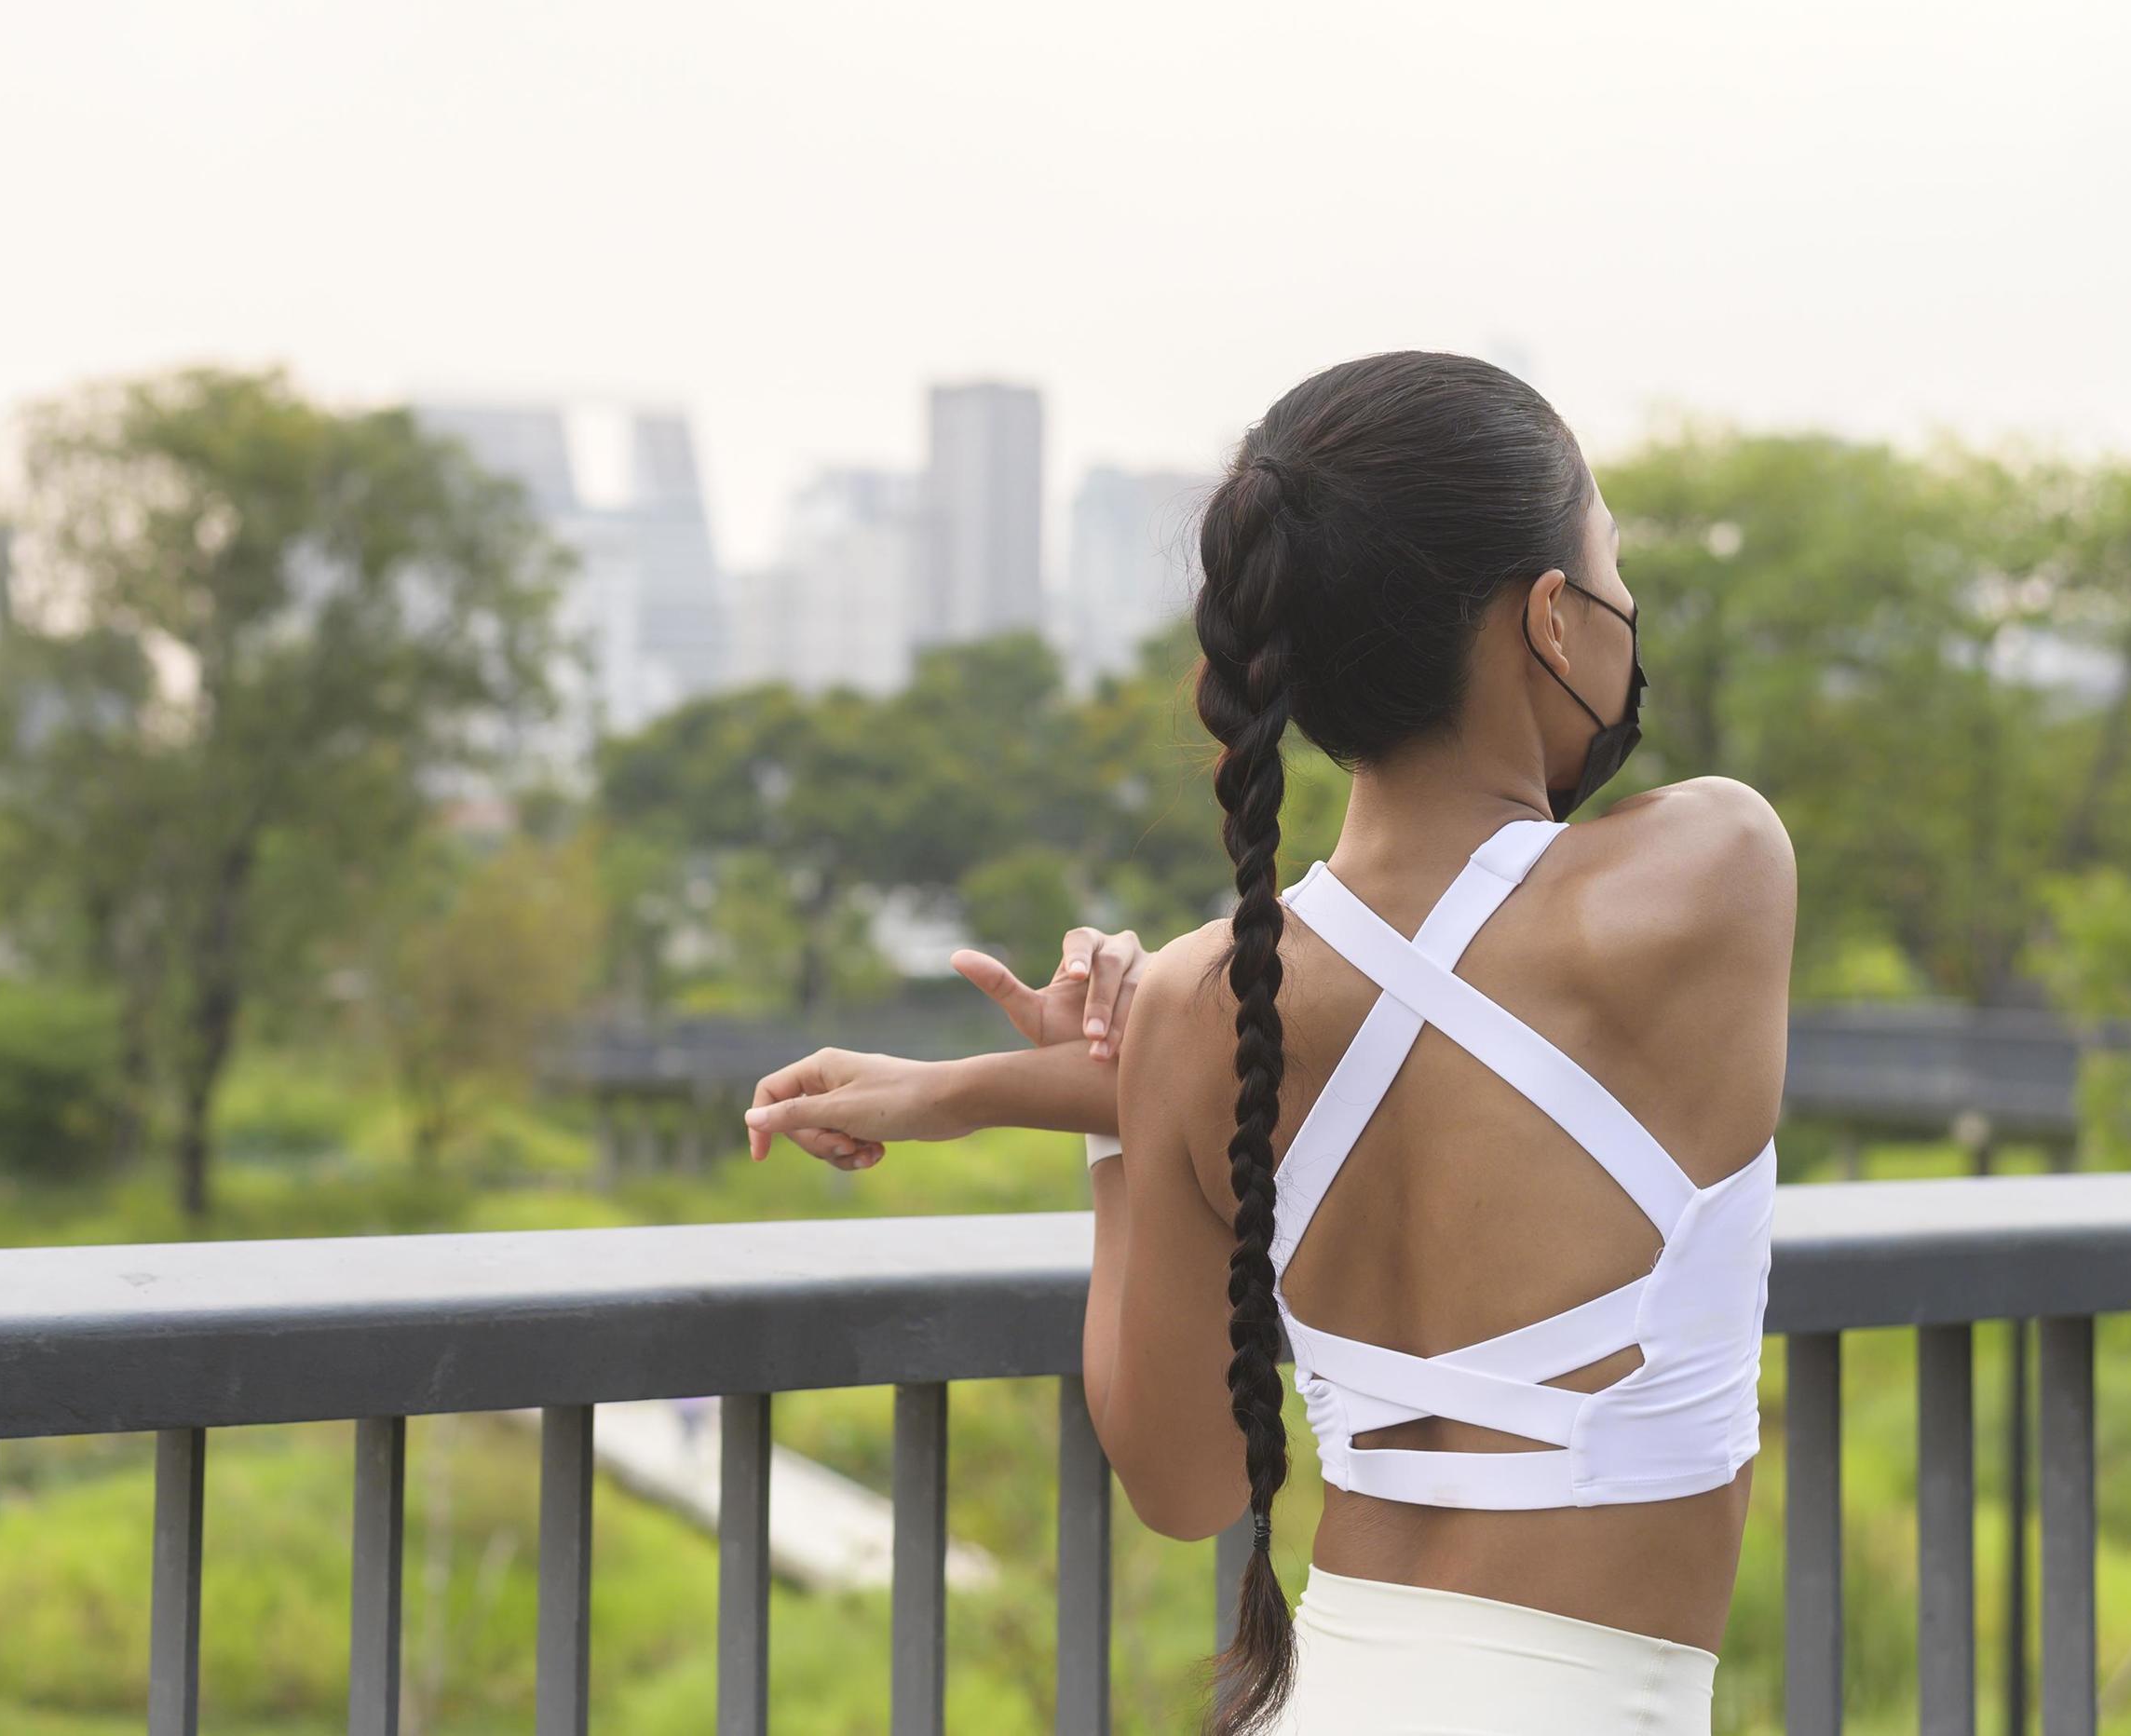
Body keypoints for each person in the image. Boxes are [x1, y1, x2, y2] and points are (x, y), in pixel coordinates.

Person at [741, 352, 1795, 1734]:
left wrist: (1093, 1107)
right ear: (1551, 615)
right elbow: (1475, 995)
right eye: (1611, 562)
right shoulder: (1710, 870)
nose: (1627, 606)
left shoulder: (1198, 1008)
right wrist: (1028, 1088)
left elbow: (1183, 1489)